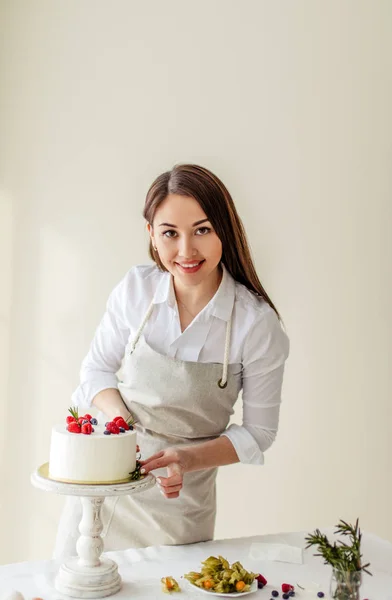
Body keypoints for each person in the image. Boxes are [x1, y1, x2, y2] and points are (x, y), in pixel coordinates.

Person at [54, 163, 289, 558]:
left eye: (202, 230)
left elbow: (259, 433)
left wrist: (188, 458)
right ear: (151, 234)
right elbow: (95, 371)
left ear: (224, 231)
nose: (186, 251)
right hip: (101, 493)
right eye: (170, 233)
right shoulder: (136, 290)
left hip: (182, 507)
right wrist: (122, 424)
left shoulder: (255, 324)